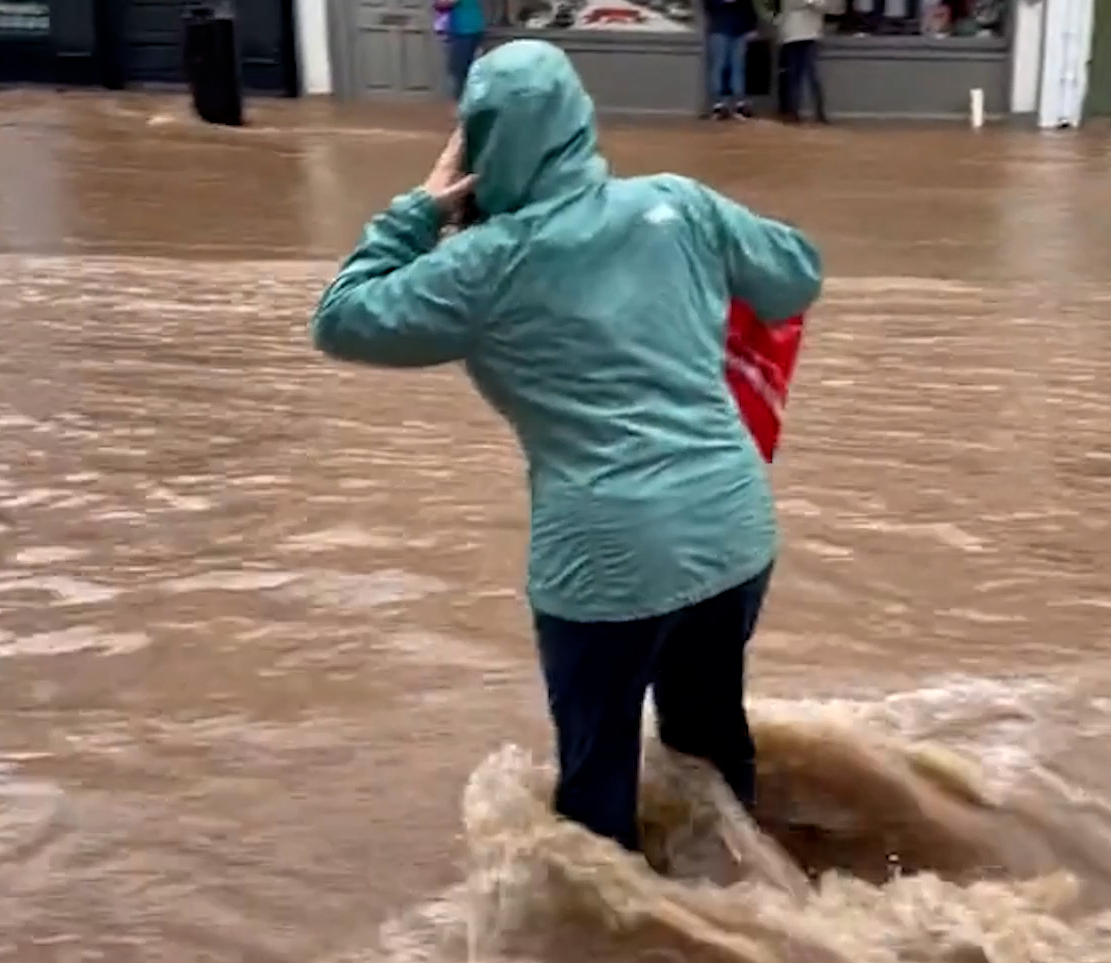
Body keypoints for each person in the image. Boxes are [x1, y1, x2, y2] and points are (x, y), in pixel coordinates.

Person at [309, 40, 823, 854]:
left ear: (477, 146)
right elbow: (795, 274)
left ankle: (617, 959)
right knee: (710, 740)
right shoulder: (680, 205)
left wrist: (421, 210)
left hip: (606, 562)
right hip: (733, 529)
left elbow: (341, 319)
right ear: (581, 122)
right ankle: (755, 907)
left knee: (595, 789)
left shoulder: (482, 266)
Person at [776, 0, 834, 123]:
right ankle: (793, 112)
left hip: (811, 34)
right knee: (794, 76)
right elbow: (790, 4)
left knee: (813, 76)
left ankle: (819, 112)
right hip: (791, 34)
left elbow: (825, 6)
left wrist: (810, 3)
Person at [705, 0, 759, 119]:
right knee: (720, 66)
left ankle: (739, 103)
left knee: (738, 66)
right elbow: (708, 6)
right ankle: (719, 104)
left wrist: (753, 27)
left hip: (739, 30)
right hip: (720, 29)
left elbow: (749, 7)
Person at [434, 0, 485, 103]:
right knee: (465, 69)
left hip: (465, 29)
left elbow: (444, 3)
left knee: (459, 70)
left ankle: (464, 104)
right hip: (470, 27)